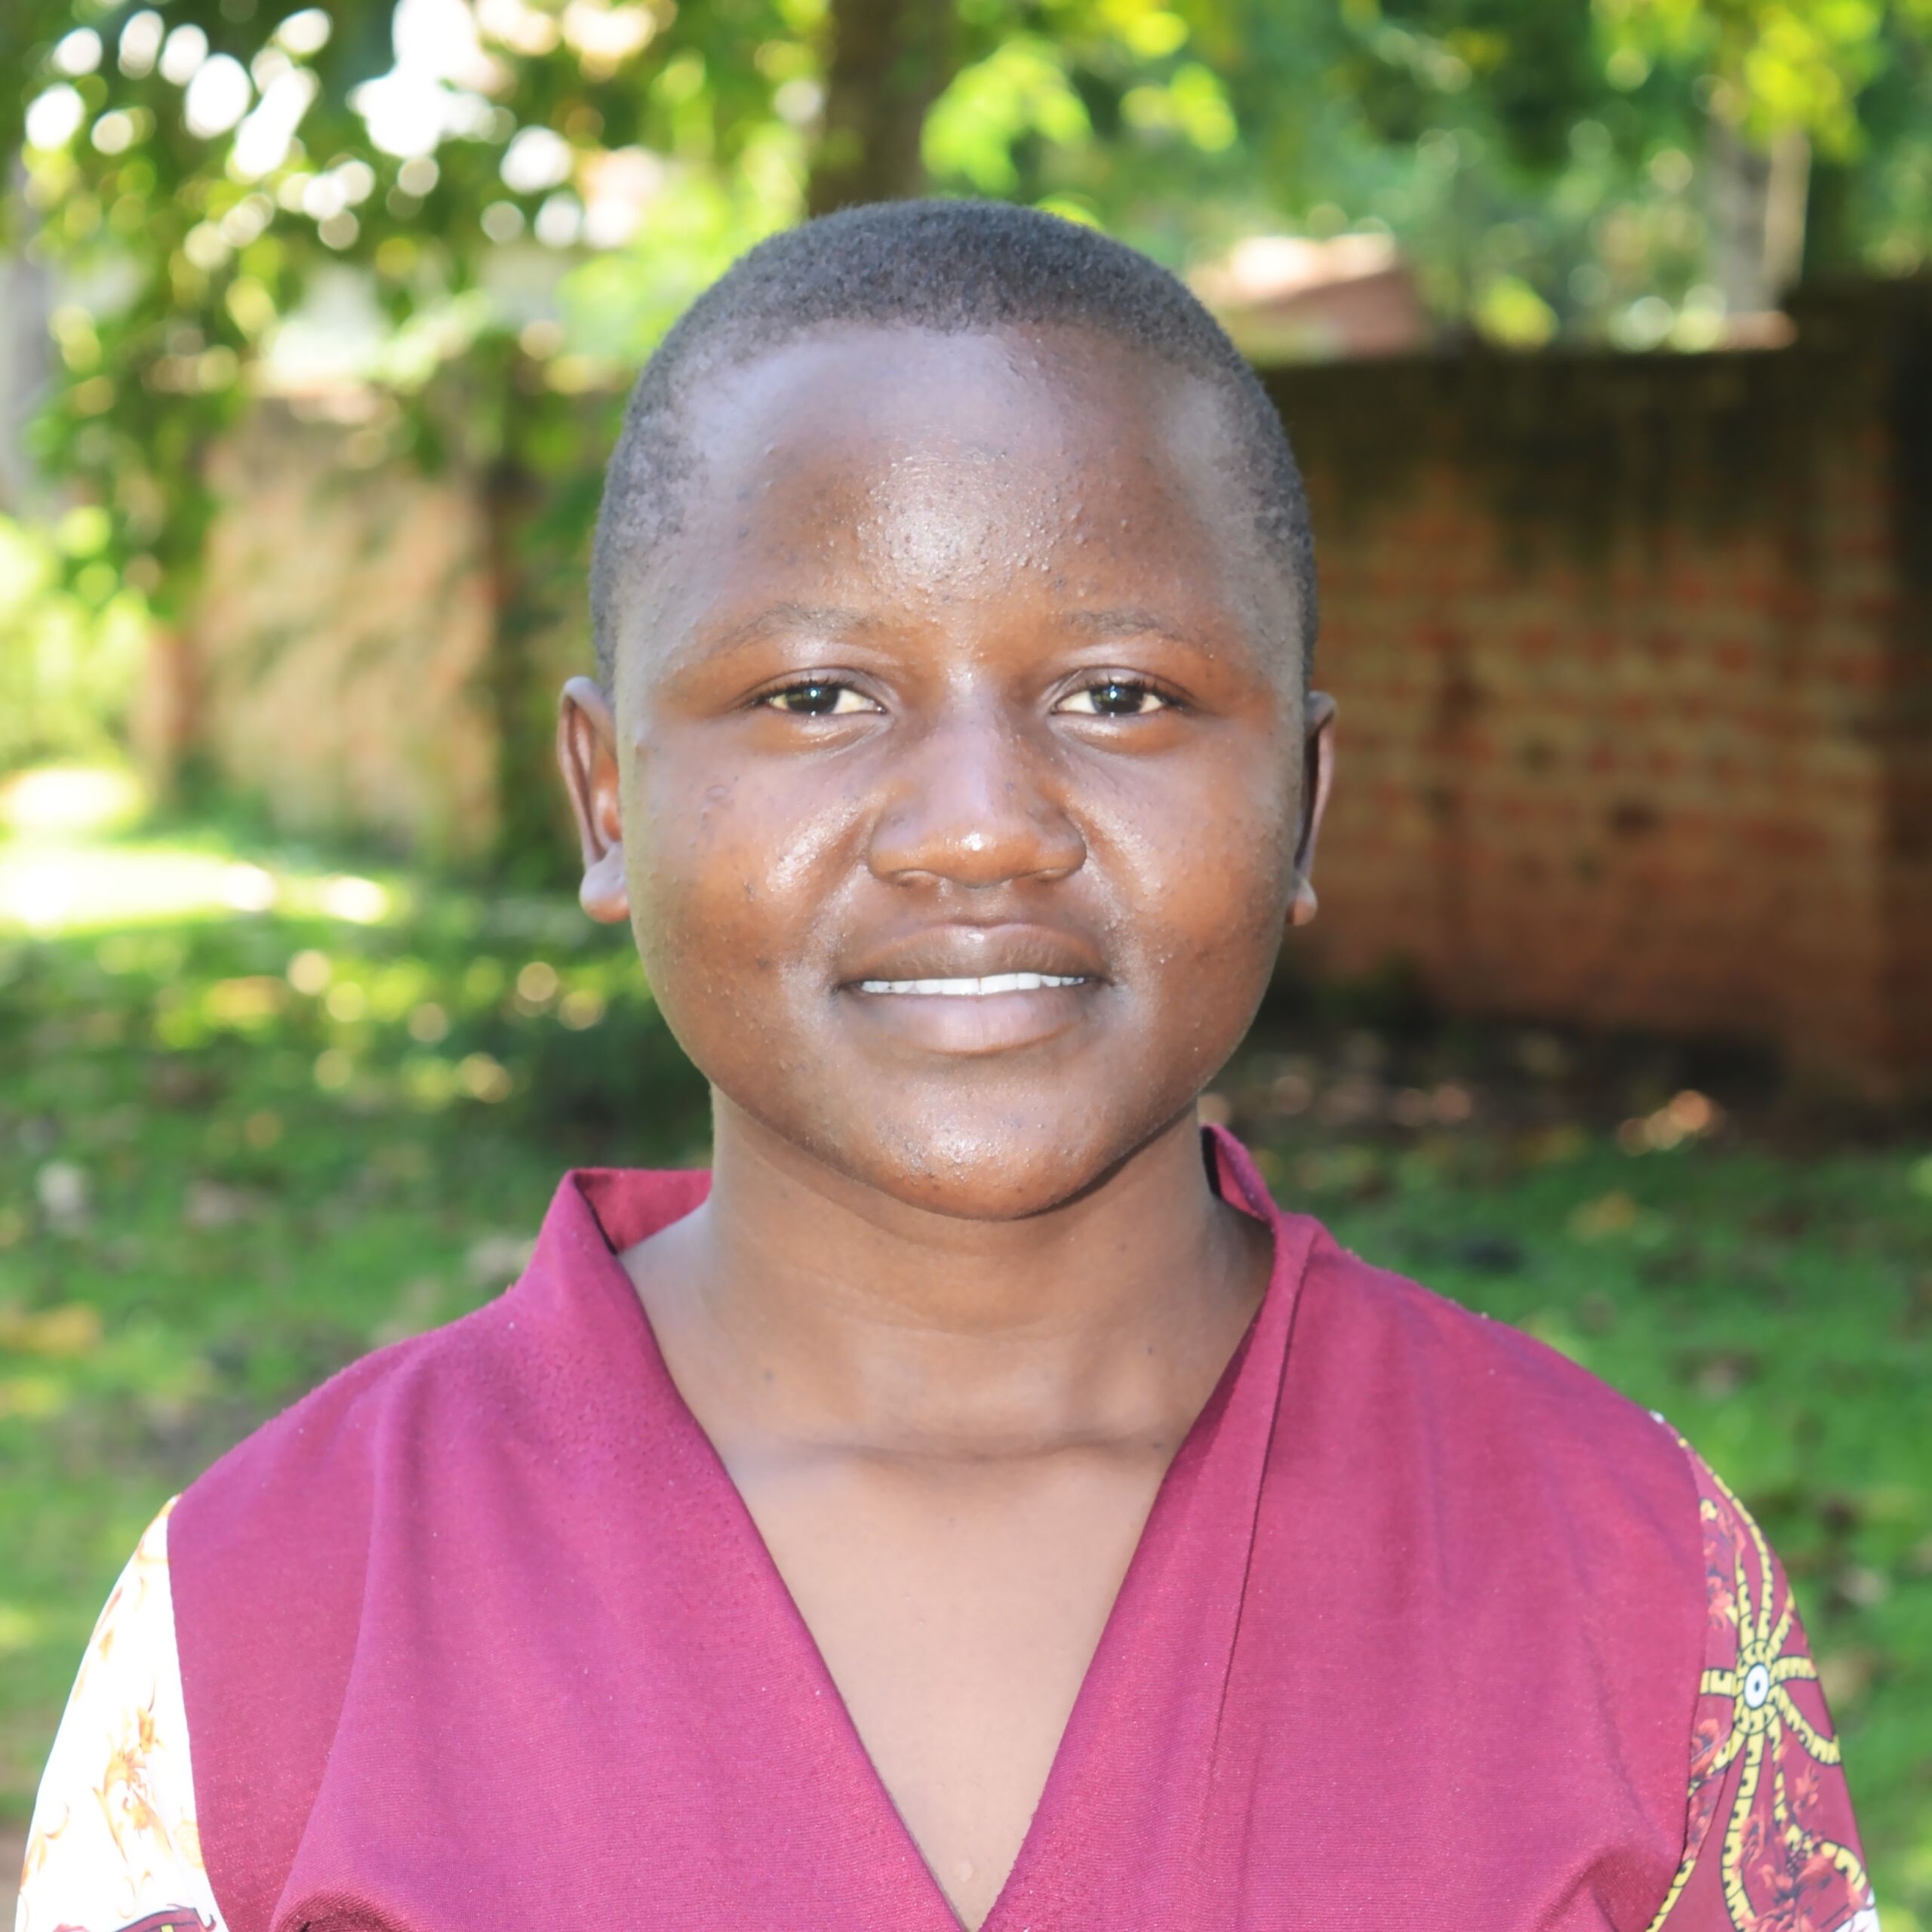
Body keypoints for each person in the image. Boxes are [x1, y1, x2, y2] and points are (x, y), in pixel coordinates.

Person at [17, 202, 1878, 1932]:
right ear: (606, 796)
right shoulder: (262, 1630)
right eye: (815, 694)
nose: (978, 827)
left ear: (1301, 800)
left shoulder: (1628, 1586)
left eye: (1118, 695)